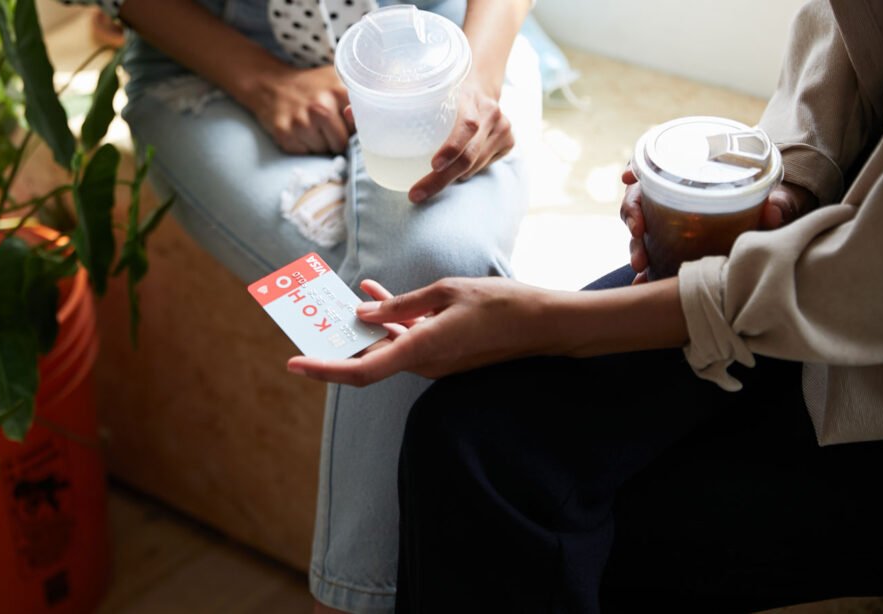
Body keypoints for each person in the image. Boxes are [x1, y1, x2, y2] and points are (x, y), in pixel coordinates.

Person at [287, 0, 883, 610]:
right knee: (465, 440)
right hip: (812, 257)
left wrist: (545, 322)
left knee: (515, 492)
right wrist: (788, 187)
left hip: (871, 377)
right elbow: (851, 36)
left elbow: (868, 285)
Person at [60, 0, 540, 611]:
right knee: (395, 302)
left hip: (439, 47)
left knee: (432, 263)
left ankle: (349, 602)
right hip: (213, 72)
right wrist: (265, 82)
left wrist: (475, 78)